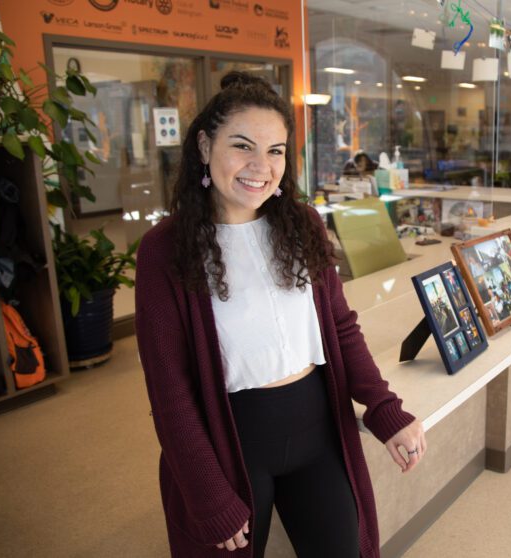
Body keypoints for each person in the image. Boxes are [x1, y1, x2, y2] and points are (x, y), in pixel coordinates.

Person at [135, 72, 426, 558]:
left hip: (317, 427)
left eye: (275, 151)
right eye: (242, 146)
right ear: (204, 147)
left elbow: (340, 328)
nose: (260, 166)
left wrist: (384, 409)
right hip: (233, 442)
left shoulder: (301, 225)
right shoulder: (165, 250)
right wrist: (206, 495)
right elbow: (169, 392)